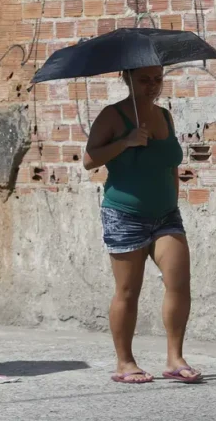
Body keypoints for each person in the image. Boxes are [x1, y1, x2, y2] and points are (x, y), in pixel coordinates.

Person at [82, 66, 202, 384]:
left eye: (157, 79)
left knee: (179, 283)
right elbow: (89, 159)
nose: (152, 86)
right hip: (124, 215)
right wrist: (126, 141)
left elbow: (171, 164)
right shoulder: (113, 116)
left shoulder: (165, 116)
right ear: (127, 78)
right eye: (144, 79)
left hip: (165, 215)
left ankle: (175, 359)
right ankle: (125, 363)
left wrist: (173, 203)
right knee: (127, 291)